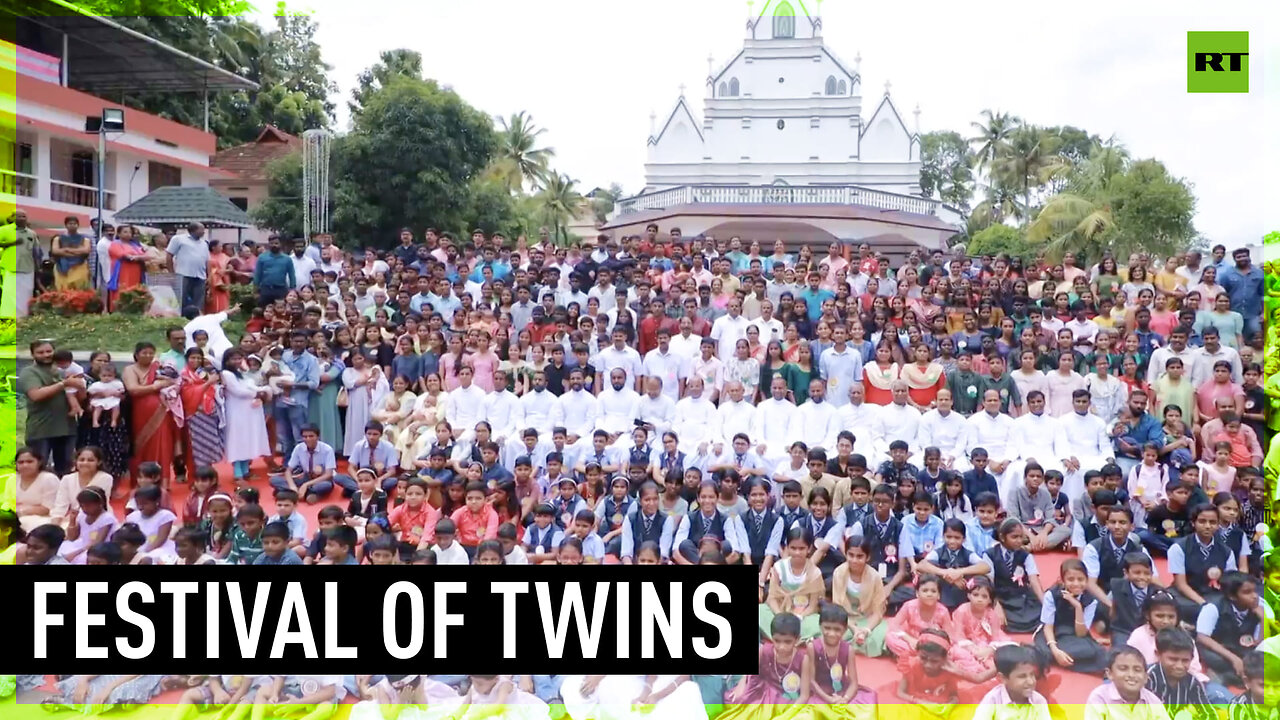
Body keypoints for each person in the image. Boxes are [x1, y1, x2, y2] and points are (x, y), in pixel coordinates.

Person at [166, 222, 209, 311]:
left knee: (199, 301)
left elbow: (207, 260)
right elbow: (169, 255)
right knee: (181, 300)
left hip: (200, 276)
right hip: (183, 274)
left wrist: (209, 275)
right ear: (193, 230)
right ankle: (182, 319)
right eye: (202, 229)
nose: (204, 232)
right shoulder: (178, 239)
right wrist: (171, 273)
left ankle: (197, 319)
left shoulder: (204, 243)